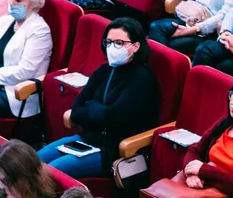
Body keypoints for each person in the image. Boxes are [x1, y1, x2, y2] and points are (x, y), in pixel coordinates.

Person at [37, 18, 160, 178]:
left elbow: (113, 118)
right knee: (33, 161)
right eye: (108, 42)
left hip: (113, 151)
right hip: (87, 139)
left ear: (135, 46)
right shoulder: (104, 71)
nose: (112, 48)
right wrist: (99, 113)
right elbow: (76, 111)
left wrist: (92, 106)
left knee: (50, 171)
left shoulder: (143, 79)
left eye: (119, 43)